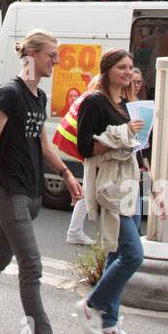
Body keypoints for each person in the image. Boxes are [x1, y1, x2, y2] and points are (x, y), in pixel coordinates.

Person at [0, 29, 88, 334]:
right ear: (32, 55)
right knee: (31, 267)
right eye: (52, 54)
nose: (57, 60)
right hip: (9, 191)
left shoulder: (39, 97)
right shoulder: (9, 94)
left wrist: (65, 173)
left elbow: (43, 145)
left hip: (31, 193)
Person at [77, 48, 146, 334]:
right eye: (121, 67)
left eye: (130, 67)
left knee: (117, 255)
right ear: (106, 70)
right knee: (133, 254)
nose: (128, 72)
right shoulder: (94, 101)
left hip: (129, 183)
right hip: (109, 186)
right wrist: (123, 133)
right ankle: (92, 304)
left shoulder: (127, 103)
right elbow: (85, 147)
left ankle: (110, 327)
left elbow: (133, 143)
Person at [54, 74, 100, 245]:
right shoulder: (95, 99)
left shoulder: (89, 94)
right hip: (80, 145)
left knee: (89, 188)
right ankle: (74, 231)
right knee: (89, 189)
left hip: (73, 141)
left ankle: (75, 230)